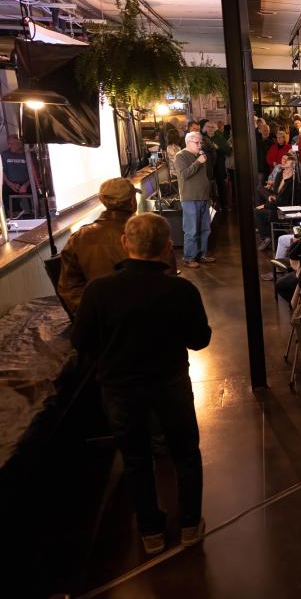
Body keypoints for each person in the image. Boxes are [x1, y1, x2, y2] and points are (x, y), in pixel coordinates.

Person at [71, 213, 210, 554]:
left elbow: (81, 341)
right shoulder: (181, 289)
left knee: (135, 459)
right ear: (166, 248)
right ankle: (190, 524)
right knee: (185, 454)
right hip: (171, 383)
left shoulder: (99, 290)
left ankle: (151, 532)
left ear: (124, 243)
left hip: (120, 388)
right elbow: (199, 340)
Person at [59, 178, 167, 314]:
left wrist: (95, 312)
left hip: (100, 322)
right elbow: (167, 276)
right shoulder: (149, 231)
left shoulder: (79, 237)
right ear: (132, 202)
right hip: (148, 316)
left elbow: (69, 287)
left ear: (102, 200)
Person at [175, 131, 214, 268]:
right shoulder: (180, 156)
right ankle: (189, 258)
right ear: (188, 142)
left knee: (205, 229)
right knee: (191, 230)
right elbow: (184, 175)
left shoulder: (200, 155)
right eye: (197, 143)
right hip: (190, 198)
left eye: (200, 142)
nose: (199, 145)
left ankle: (201, 255)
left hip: (204, 197)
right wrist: (198, 162)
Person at [1, 135, 32, 217]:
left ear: (19, 144)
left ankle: (33, 213)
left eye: (13, 143)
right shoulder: (4, 155)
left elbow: (33, 173)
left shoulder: (27, 155)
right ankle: (10, 214)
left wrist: (25, 185)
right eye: (9, 144)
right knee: (3, 190)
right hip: (10, 184)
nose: (11, 146)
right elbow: (2, 171)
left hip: (26, 183)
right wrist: (10, 183)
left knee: (35, 191)